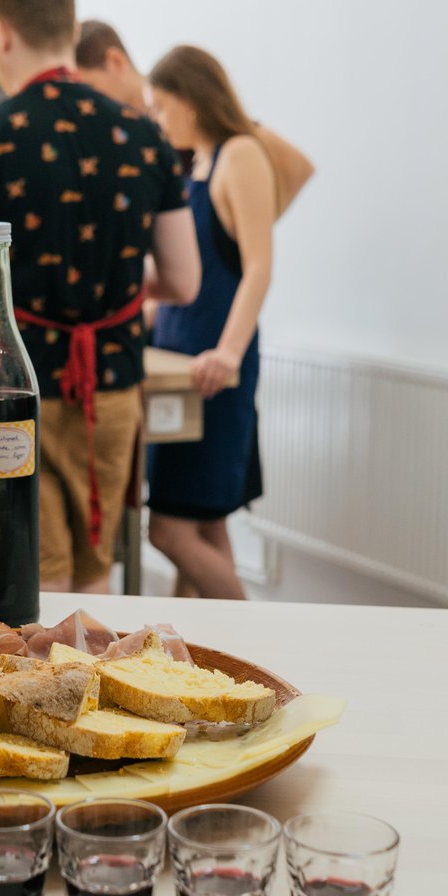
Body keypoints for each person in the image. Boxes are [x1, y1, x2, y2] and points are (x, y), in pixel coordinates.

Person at [0, 0, 201, 595]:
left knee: (34, 574)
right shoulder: (144, 135)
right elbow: (184, 281)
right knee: (93, 571)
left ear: (1, 35)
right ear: (72, 31)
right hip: (112, 385)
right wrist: (110, 286)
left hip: (18, 386)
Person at [144, 46, 278, 601]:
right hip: (177, 363)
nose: (158, 120)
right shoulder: (192, 163)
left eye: (162, 107)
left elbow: (259, 266)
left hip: (211, 371)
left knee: (169, 530)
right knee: (204, 524)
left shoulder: (240, 155)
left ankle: (258, 642)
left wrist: (226, 354)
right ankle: (194, 667)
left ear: (193, 102)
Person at [75, 20, 315, 220]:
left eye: (92, 87)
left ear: (116, 61)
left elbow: (297, 166)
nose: (89, 104)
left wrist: (241, 235)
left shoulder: (179, 100)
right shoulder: (116, 135)